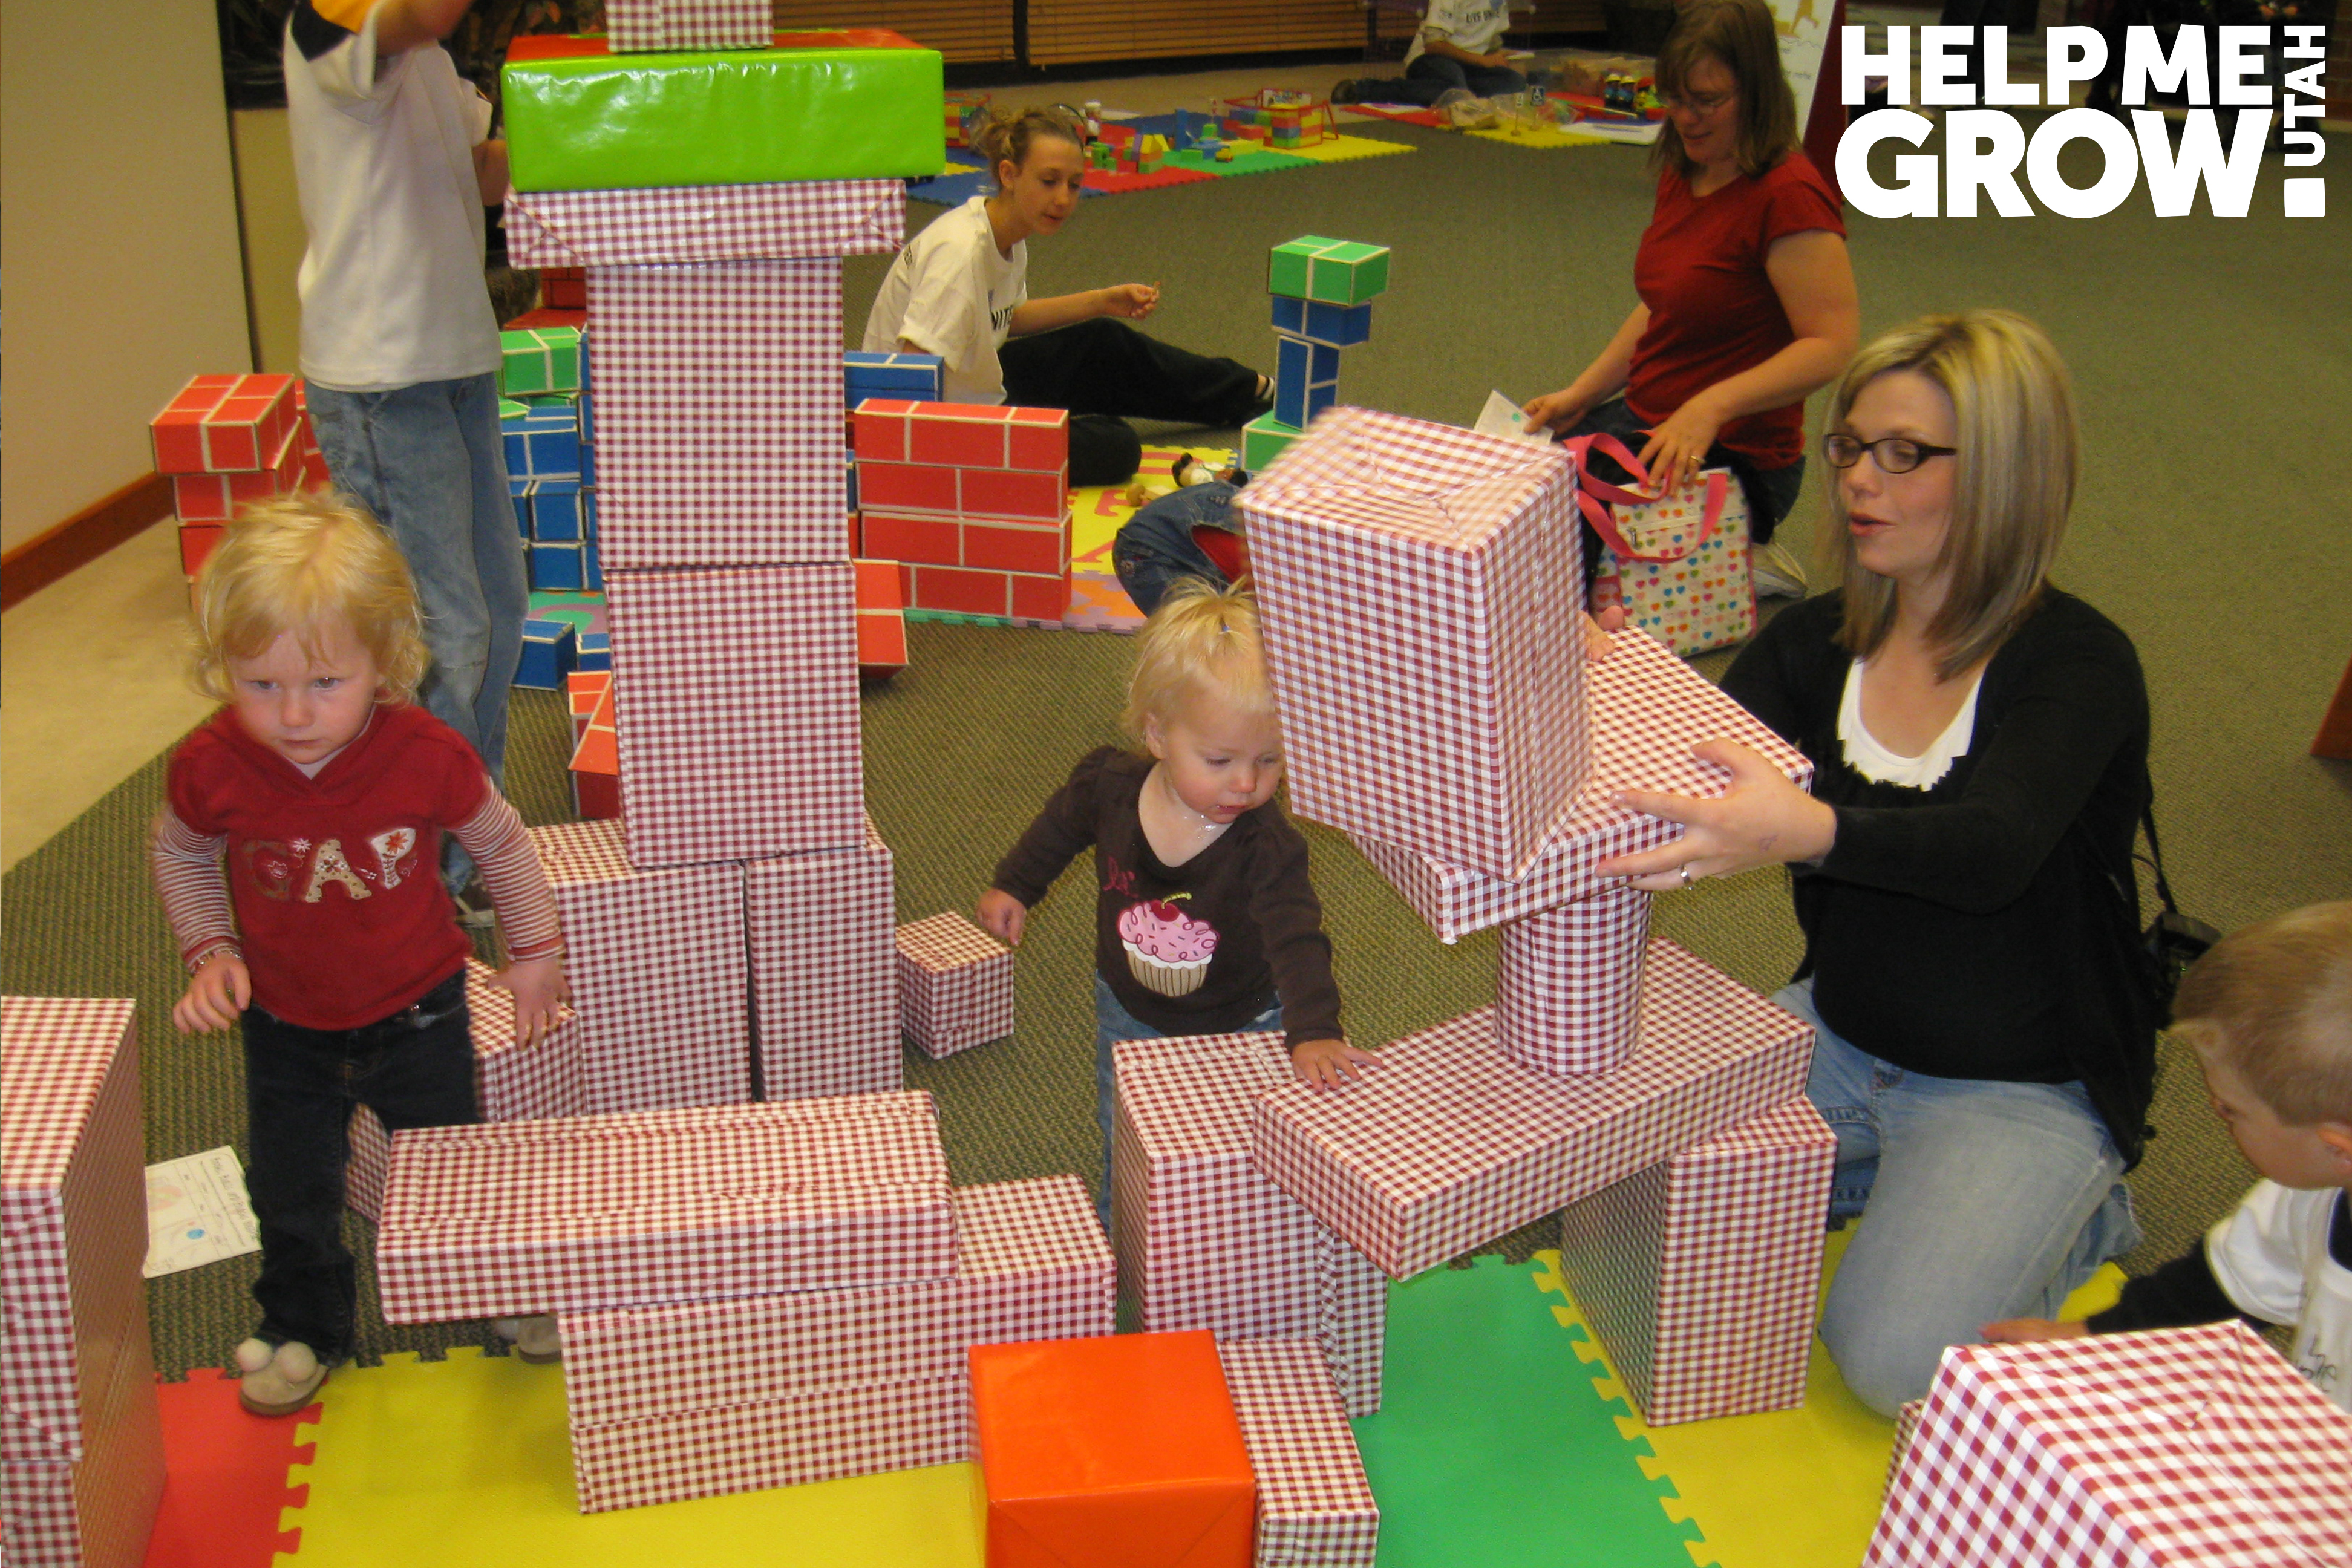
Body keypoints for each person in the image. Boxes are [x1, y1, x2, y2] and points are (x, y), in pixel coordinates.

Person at [1595, 310, 2155, 1417]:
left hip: (2020, 1084)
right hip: (1841, 1031)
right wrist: (1601, 672)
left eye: (1905, 454)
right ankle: (1889, 1187)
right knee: (1616, 1189)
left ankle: (2079, 1205)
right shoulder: (1811, 645)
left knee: (1894, 1360)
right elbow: (1673, 766)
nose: (1859, 480)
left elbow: (1985, 851)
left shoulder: (2077, 662)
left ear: (2002, 472)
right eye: (1850, 446)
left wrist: (1805, 830)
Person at [150, 494, 569, 1417]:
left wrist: (534, 949)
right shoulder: (212, 763)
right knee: (293, 1192)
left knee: (454, 1170)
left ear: (385, 662)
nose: (294, 714)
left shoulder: (424, 751)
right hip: (286, 1025)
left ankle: (490, 1293)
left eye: (325, 684)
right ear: (223, 670)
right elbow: (180, 850)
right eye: (260, 685)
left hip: (421, 1010)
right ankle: (306, 1326)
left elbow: (499, 843)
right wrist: (211, 950)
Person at [976, 581, 1379, 1219]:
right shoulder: (1108, 786)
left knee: (1240, 1140)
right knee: (1128, 1127)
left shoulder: (1266, 844)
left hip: (1246, 1013)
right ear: (1159, 736)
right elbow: (1059, 827)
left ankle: (1232, 1230)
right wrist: (1016, 884)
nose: (1246, 784)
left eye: (1270, 760)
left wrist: (1314, 1032)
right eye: (1219, 760)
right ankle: (1123, 1224)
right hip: (1130, 1008)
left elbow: (1298, 939)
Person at [284, 0, 528, 905]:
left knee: (498, 611)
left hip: (452, 361)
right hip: (383, 379)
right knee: (438, 638)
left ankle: (472, 838)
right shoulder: (331, 21)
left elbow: (483, 171)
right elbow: (424, 11)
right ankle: (428, 880)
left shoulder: (426, 60)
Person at [1523, 0, 1858, 604]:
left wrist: (1710, 408)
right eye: (1676, 100)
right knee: (1533, 476)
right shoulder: (1688, 167)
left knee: (1569, 553)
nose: (1687, 119)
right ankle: (1711, 559)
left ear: (1756, 90)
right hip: (1652, 421)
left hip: (1744, 457)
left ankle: (1738, 550)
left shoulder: (1790, 195)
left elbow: (1831, 346)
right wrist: (1583, 393)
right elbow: (1663, 305)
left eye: (1708, 101)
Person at [1984, 902, 2352, 1414]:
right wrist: (2089, 1339)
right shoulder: (2310, 1191)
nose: (2214, 1112)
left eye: (2230, 1111)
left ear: (2337, 1148)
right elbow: (2215, 1291)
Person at [863, 106, 1272, 488]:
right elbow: (909, 375)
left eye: (1074, 186)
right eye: (1048, 181)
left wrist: (1100, 300)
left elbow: (1007, 318)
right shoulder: (960, 253)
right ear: (1008, 174)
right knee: (1117, 446)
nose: (1063, 198)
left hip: (972, 384)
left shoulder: (1003, 232)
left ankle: (1248, 392)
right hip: (938, 428)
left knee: (1102, 341)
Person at [1332, 1, 1530, 109]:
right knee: (1453, 82)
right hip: (1431, 60)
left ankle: (1459, 94)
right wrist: (1481, 60)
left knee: (1515, 83)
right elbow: (1434, 45)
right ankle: (1363, 90)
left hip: (1471, 67)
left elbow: (1493, 38)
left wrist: (1499, 59)